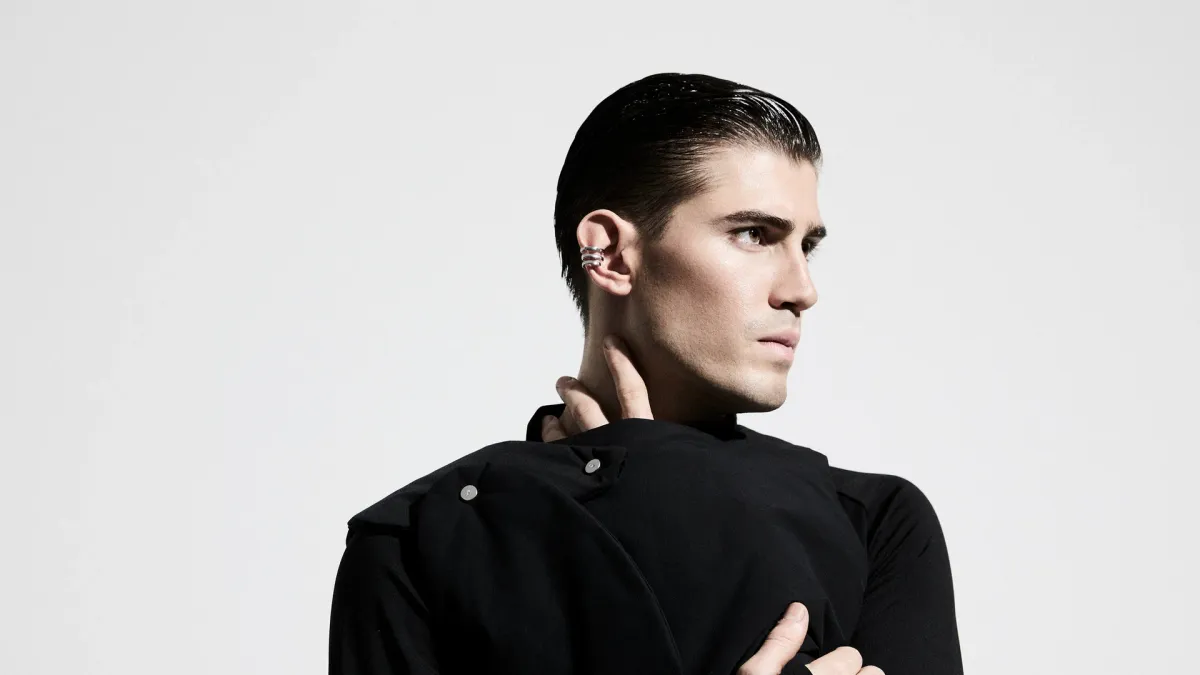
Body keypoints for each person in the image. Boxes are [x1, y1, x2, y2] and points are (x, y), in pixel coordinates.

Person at [328, 73, 964, 675]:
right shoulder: (415, 539)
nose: (802, 289)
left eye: (807, 245)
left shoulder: (874, 522)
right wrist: (647, 489)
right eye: (753, 234)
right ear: (607, 253)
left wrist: (657, 479)